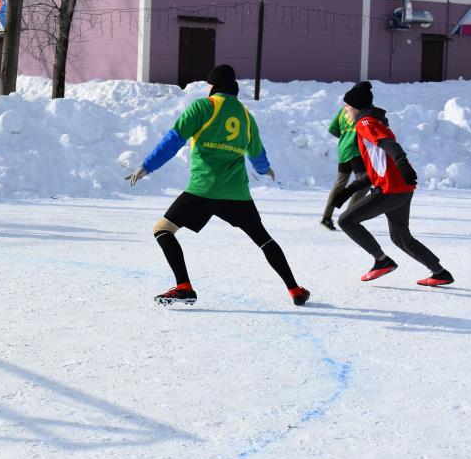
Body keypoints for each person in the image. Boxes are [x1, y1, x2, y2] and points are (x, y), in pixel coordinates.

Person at [126, 64, 310, 306]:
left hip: (203, 189)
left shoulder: (203, 106)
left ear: (212, 86)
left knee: (162, 230)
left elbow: (174, 139)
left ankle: (184, 286)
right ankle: (295, 289)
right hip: (237, 194)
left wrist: (147, 165)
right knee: (264, 240)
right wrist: (265, 170)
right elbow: (257, 153)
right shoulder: (245, 115)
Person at [332, 81, 453, 286]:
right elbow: (378, 170)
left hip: (390, 190)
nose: (345, 111)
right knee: (400, 237)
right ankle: (440, 272)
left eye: (347, 107)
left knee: (346, 221)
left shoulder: (365, 123)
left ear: (357, 107)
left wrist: (402, 162)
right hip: (401, 188)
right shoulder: (374, 122)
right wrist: (349, 190)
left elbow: (390, 145)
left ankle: (381, 261)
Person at [320, 102, 367, 230]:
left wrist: (345, 137)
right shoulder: (365, 107)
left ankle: (326, 217)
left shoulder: (343, 111)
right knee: (364, 183)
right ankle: (350, 216)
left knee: (340, 185)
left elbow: (332, 129)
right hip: (357, 151)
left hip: (343, 151)